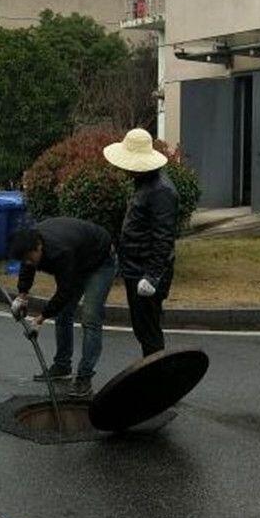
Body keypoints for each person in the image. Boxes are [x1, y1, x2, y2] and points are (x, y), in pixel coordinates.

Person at [9, 217, 117, 397]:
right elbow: (27, 268)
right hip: (78, 259)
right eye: (23, 259)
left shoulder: (60, 251)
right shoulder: (31, 242)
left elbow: (64, 292)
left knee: (90, 317)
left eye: (29, 257)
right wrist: (22, 296)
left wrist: (40, 319)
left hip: (100, 261)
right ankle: (62, 365)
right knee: (63, 315)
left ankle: (84, 377)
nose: (28, 262)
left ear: (39, 247)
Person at [103, 128, 179, 357]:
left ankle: (157, 377)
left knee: (149, 331)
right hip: (135, 266)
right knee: (143, 327)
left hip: (146, 270)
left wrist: (152, 275)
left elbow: (163, 237)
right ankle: (153, 372)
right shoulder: (145, 183)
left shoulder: (161, 191)